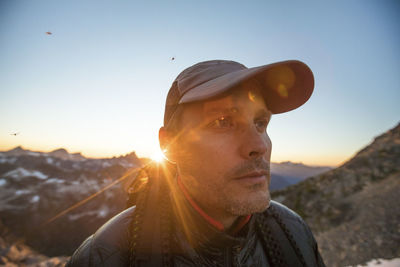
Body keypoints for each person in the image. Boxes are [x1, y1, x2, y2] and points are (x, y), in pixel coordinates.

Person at [67, 59, 325, 266]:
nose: (258, 146)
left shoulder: (293, 233)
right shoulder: (105, 256)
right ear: (171, 145)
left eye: (260, 123)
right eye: (223, 122)